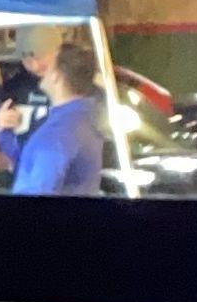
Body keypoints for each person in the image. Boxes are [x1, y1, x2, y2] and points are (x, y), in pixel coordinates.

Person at [9, 28, 117, 195]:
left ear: (57, 75)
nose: (37, 67)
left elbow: (38, 192)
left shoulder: (57, 134)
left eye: (48, 63)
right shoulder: (86, 118)